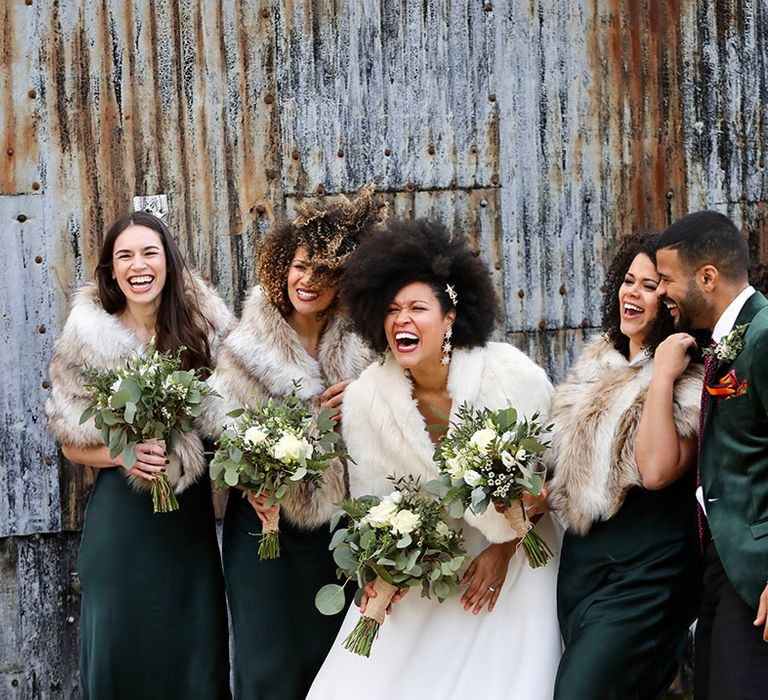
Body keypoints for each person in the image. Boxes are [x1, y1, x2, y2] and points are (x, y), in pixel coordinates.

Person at [307, 218, 561, 700]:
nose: (402, 319)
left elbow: (557, 478)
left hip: (521, 545)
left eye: (417, 308)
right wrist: (388, 569)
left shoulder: (510, 374)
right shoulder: (365, 401)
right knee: (364, 676)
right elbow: (377, 502)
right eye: (392, 309)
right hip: (436, 554)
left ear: (449, 317)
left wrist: (505, 549)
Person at [45, 211, 234, 699]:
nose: (138, 265)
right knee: (120, 662)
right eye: (124, 256)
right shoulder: (88, 338)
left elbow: (237, 414)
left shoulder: (203, 329)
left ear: (168, 261)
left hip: (186, 528)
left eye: (149, 252)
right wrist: (123, 455)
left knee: (195, 662)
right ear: (110, 269)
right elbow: (70, 441)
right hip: (122, 526)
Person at [200, 186, 380, 700]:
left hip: (341, 535)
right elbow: (218, 426)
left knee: (333, 668)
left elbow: (402, 421)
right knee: (266, 667)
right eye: (302, 266)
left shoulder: (368, 344)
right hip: (264, 531)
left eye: (324, 272)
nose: (308, 281)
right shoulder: (246, 344)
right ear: (283, 263)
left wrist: (366, 400)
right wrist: (249, 478)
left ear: (344, 280)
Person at [548, 232, 703, 699]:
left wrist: (663, 374)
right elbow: (566, 465)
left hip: (648, 570)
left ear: (673, 300)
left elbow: (656, 471)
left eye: (650, 285)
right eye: (628, 280)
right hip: (583, 566)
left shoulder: (692, 377)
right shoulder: (597, 362)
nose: (631, 292)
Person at [656, 210, 768, 699]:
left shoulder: (763, 337)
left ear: (707, 277)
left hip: (757, 573)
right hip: (721, 569)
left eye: (665, 280)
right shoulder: (724, 342)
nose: (660, 293)